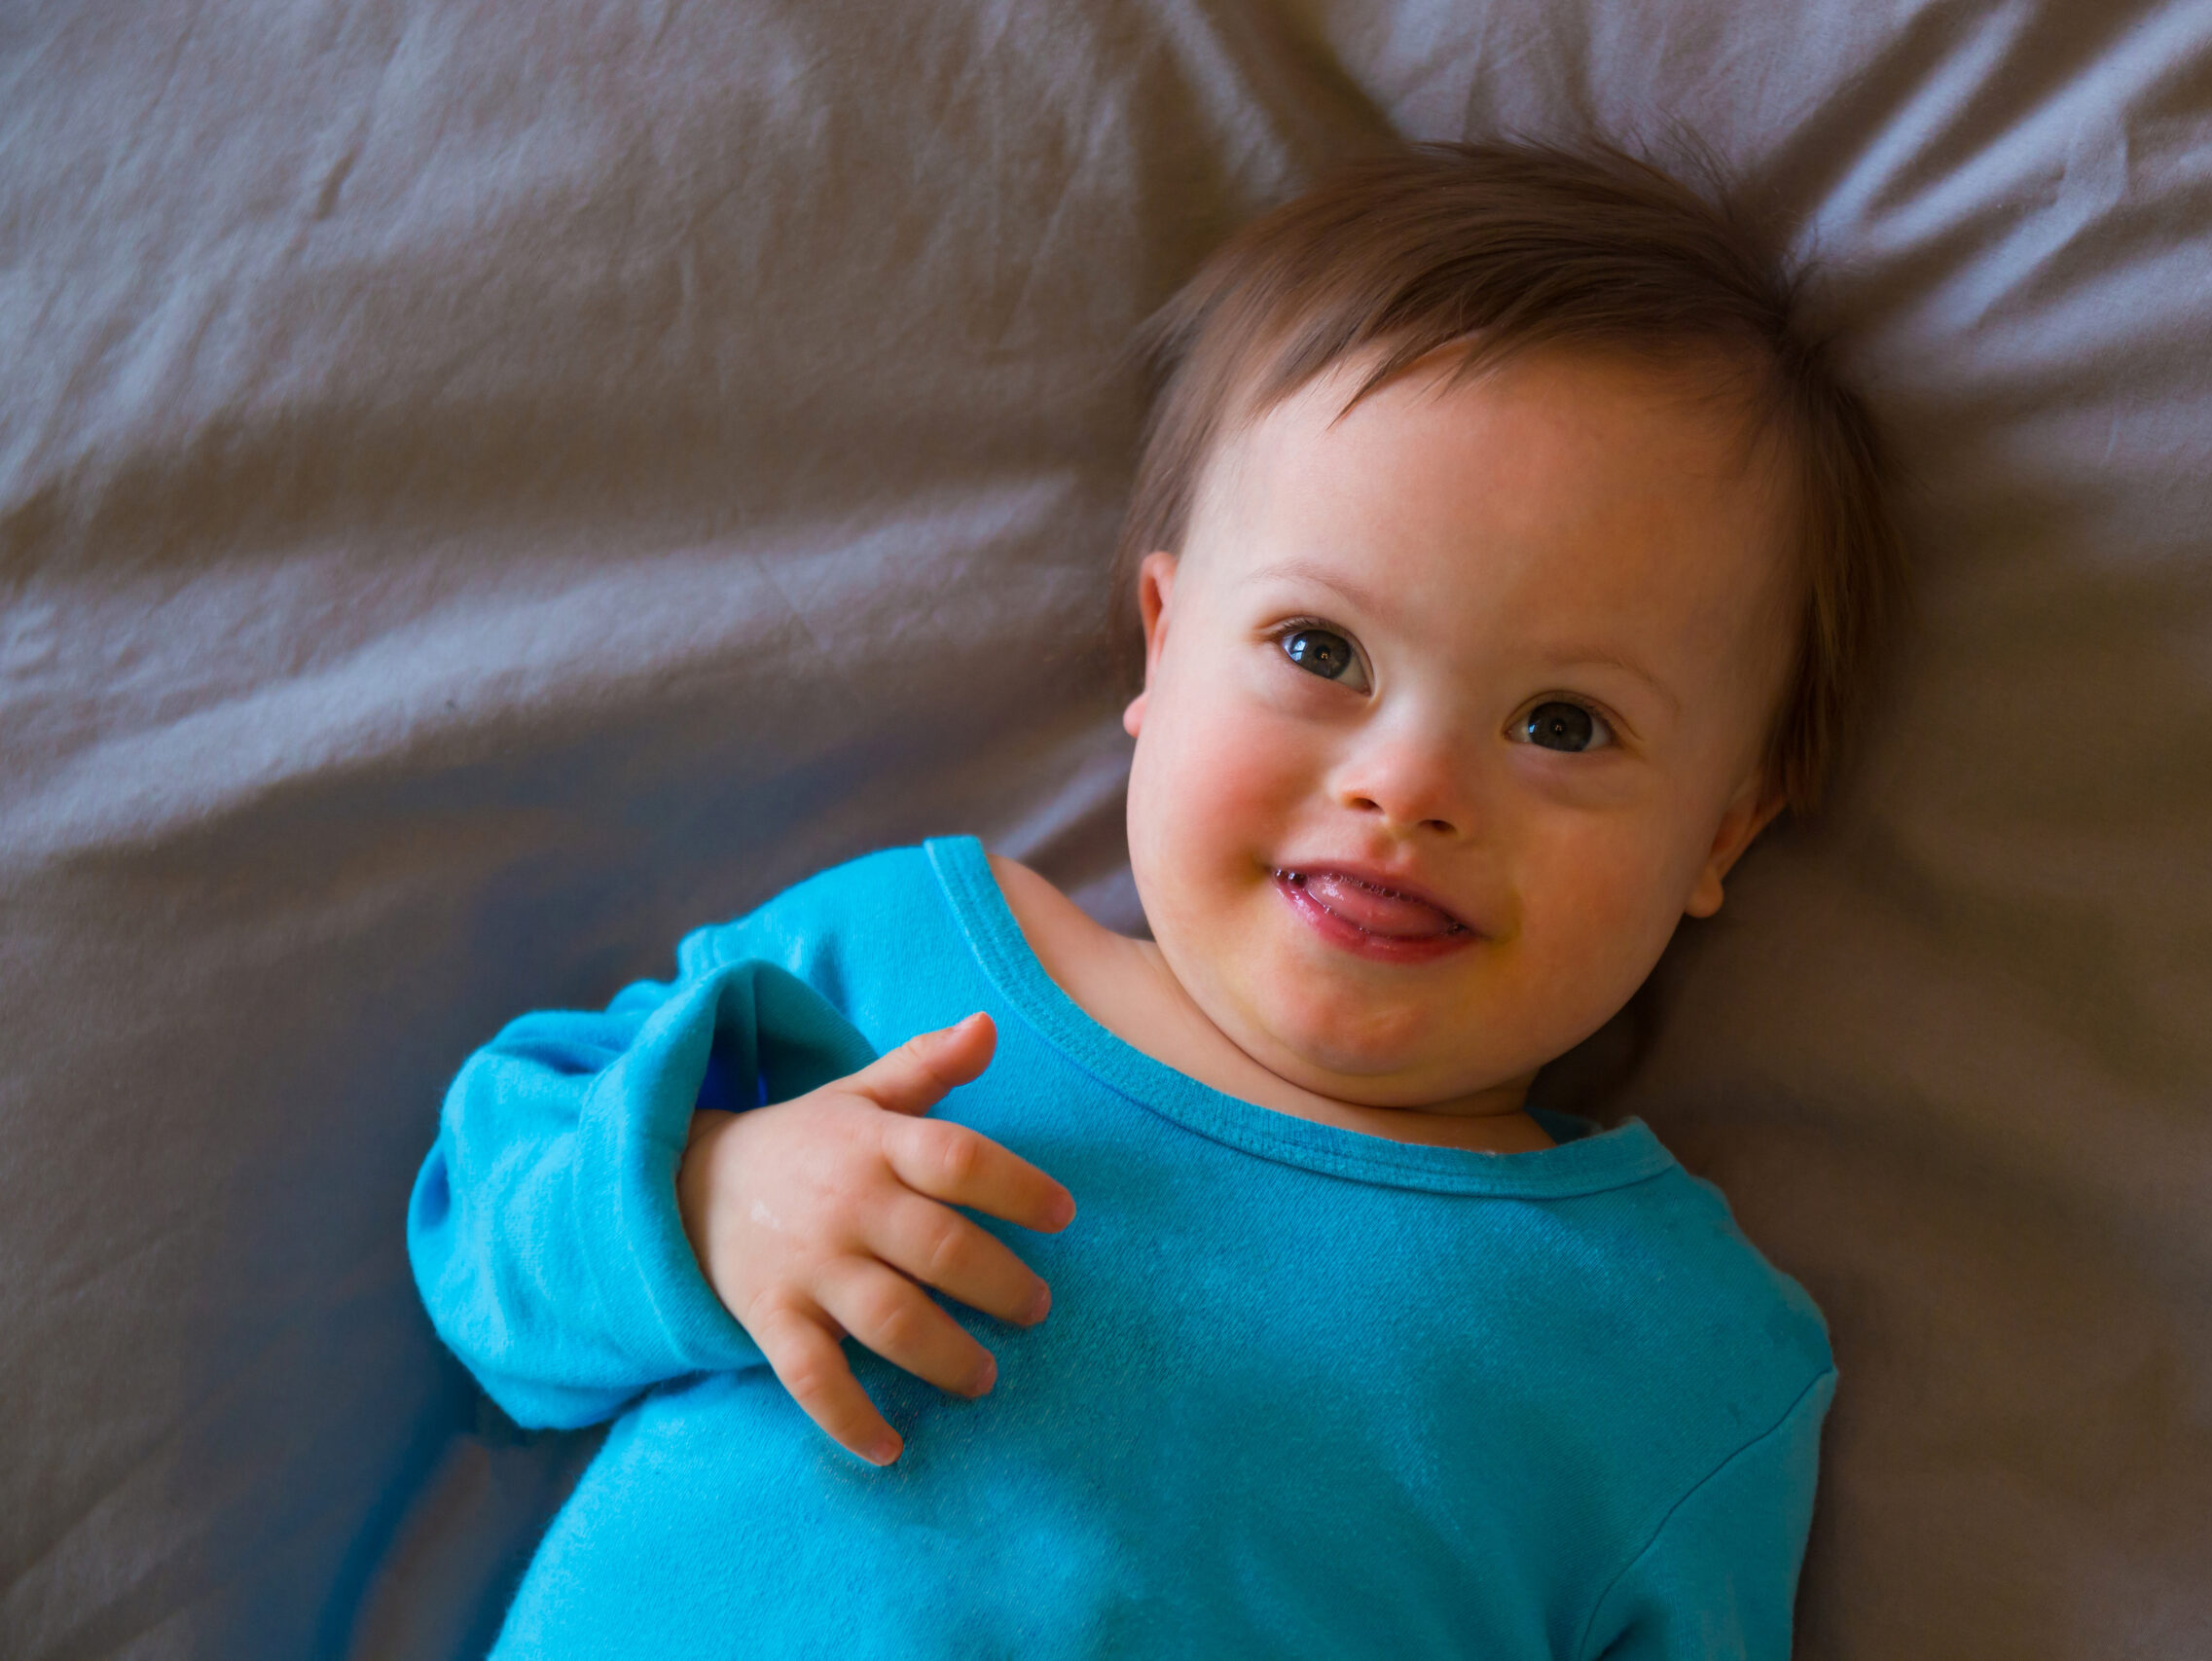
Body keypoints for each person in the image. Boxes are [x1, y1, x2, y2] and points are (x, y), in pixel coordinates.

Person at [409, 138, 1902, 1658]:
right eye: (1321, 651)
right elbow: (481, 1234)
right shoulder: (896, 962)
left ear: (1722, 832)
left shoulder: (1680, 1354)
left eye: (1564, 724)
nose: (1410, 786)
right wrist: (708, 1196)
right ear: (1163, 642)